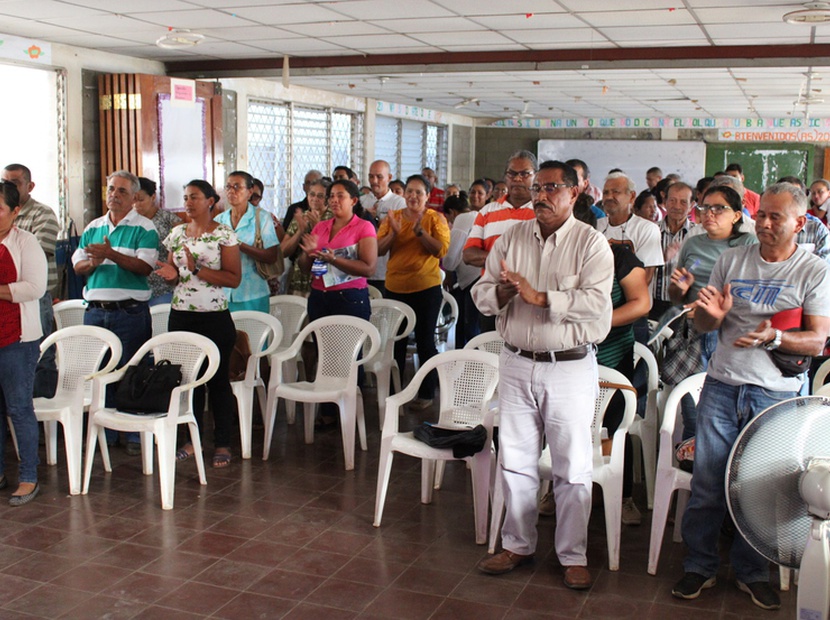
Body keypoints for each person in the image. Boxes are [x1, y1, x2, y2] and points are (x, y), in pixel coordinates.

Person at [673, 182, 830, 610]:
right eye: (761, 215)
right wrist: (712, 313)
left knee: (762, 490)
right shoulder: (732, 259)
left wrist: (773, 337)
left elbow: (817, 341)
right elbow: (706, 326)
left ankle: (751, 571)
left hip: (776, 395)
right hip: (723, 385)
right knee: (708, 483)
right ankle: (699, 566)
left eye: (775, 217)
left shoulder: (812, 270)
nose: (763, 223)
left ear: (800, 222)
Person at [473, 160, 613, 589]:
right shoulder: (511, 238)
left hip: (568, 367)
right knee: (514, 461)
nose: (540, 196)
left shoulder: (591, 244)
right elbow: (480, 293)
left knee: (571, 466)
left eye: (552, 187)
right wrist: (502, 291)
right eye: (537, 188)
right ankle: (516, 544)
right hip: (515, 361)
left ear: (574, 193)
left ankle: (572, 554)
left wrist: (542, 297)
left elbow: (596, 306)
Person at [154, 180, 241, 469]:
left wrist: (198, 269)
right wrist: (171, 274)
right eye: (186, 197)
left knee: (217, 382)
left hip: (214, 315)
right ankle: (191, 440)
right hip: (181, 314)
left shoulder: (223, 234)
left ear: (211, 201)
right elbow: (178, 274)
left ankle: (223, 443)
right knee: (187, 380)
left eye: (195, 197)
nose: (189, 203)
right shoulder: (177, 233)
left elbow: (233, 278)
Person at [72, 170, 158, 456]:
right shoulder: (93, 227)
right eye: (111, 189)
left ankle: (134, 433)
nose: (114, 195)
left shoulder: (145, 228)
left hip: (129, 311)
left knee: (131, 371)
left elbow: (144, 268)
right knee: (99, 372)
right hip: (96, 312)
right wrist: (94, 262)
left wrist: (110, 255)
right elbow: (78, 266)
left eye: (122, 191)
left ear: (134, 197)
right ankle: (105, 434)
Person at [378, 174, 450, 409]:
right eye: (409, 191)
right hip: (395, 289)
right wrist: (394, 234)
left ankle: (426, 393)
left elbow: (441, 251)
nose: (413, 196)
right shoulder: (393, 218)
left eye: (419, 192)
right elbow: (378, 250)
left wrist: (421, 233)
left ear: (428, 196)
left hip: (426, 289)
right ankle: (394, 394)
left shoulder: (435, 218)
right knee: (395, 343)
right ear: (403, 194)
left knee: (425, 342)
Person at [0, 180, 47, 505]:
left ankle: (28, 477)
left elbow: (34, 288)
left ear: (16, 212)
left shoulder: (25, 242)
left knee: (18, 408)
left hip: (17, 339)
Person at [463, 151, 538, 332]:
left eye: (525, 174)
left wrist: (496, 261)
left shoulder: (541, 211)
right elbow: (469, 254)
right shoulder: (487, 211)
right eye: (512, 174)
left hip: (529, 301)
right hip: (492, 298)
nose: (517, 179)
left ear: (536, 175)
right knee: (491, 355)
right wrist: (507, 263)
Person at [2, 164, 59, 398]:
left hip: (35, 296)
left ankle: (44, 417)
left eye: (14, 182)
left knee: (41, 355)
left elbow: (39, 253)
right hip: (7, 300)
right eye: (4, 181)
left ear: (29, 186)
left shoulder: (42, 214)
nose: (8, 186)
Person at [298, 179, 377, 323]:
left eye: (340, 196)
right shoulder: (320, 227)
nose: (334, 200)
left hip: (349, 297)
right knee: (321, 345)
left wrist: (334, 260)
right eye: (331, 196)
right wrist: (307, 253)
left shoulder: (364, 227)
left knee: (348, 345)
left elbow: (369, 269)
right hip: (319, 295)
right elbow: (305, 268)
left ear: (353, 200)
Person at [215, 170, 279, 313]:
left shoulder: (262, 218)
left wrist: (239, 245)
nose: (232, 191)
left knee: (254, 335)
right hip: (224, 292)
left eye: (237, 187)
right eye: (228, 187)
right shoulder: (219, 220)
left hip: (252, 292)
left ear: (250, 192)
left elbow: (271, 256)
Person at [652, 182, 697, 319]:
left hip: (684, 302)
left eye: (683, 202)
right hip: (653, 302)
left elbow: (700, 263)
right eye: (672, 200)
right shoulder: (650, 230)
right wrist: (661, 258)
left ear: (691, 206)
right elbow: (640, 267)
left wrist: (684, 272)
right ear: (664, 202)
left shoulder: (697, 234)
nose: (677, 206)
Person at [133, 177, 180, 306]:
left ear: (153, 197)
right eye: (133, 200)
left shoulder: (170, 220)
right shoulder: (129, 222)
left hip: (163, 288)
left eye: (141, 200)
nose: (136, 205)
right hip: (135, 288)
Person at [361, 160, 405, 295]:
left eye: (379, 177)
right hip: (363, 270)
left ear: (389, 178)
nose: (374, 181)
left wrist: (375, 220)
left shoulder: (398, 203)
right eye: (371, 176)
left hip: (386, 271)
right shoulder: (362, 201)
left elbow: (400, 234)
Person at [442, 193, 481, 347]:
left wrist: (448, 269)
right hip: (480, 276)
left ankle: (468, 366)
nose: (451, 223)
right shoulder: (478, 215)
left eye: (449, 219)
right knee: (472, 328)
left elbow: (451, 259)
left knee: (469, 329)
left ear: (453, 212)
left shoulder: (462, 219)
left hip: (474, 279)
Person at [281, 178, 331, 297]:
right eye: (312, 194)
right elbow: (283, 251)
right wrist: (300, 231)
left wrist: (318, 228)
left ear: (328, 199)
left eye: (320, 196)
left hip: (325, 280)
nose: (314, 199)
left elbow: (332, 249)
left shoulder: (333, 218)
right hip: (299, 279)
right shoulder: (302, 217)